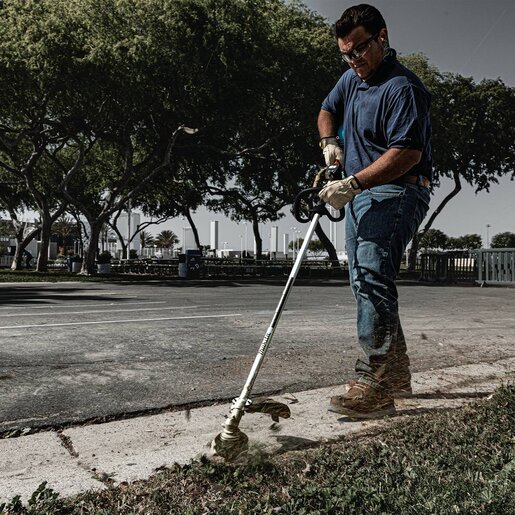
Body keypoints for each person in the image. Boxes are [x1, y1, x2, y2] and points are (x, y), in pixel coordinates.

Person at [317, 4, 432, 419]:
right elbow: (326, 110)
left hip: (397, 191)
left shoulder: (403, 88)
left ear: (382, 37)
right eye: (345, 54)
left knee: (370, 277)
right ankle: (395, 376)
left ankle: (375, 383)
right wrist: (330, 143)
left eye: (360, 49)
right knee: (366, 280)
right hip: (359, 195)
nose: (353, 60)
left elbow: (407, 153)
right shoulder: (351, 79)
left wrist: (353, 183)